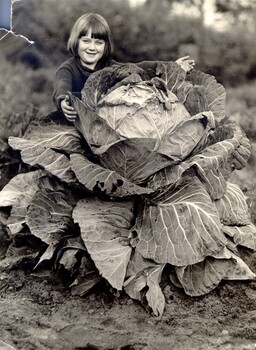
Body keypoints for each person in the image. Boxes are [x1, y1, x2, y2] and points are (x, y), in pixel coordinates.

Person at [53, 13, 195, 122]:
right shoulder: (68, 69)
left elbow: (138, 67)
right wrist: (63, 101)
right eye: (86, 41)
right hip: (78, 126)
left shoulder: (110, 68)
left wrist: (171, 66)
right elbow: (62, 86)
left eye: (98, 43)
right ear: (76, 42)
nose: (92, 47)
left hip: (105, 128)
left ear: (106, 46)